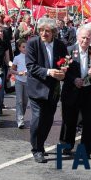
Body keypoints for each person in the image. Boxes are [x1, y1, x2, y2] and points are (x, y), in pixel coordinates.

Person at [25, 18, 67, 163]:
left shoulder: (60, 45)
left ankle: (40, 145)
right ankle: (36, 149)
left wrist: (63, 72)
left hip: (53, 89)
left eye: (47, 31)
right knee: (37, 118)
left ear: (54, 32)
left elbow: (65, 63)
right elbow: (30, 66)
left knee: (48, 119)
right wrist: (49, 72)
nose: (43, 33)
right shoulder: (32, 43)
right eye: (41, 30)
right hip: (36, 88)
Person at [60, 25, 91, 157]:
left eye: (88, 38)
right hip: (71, 90)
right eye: (83, 37)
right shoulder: (69, 51)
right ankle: (67, 145)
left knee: (88, 121)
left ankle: (87, 148)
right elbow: (63, 71)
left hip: (88, 91)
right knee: (69, 119)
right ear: (78, 37)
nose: (85, 41)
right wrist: (73, 79)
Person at [10, 39, 28, 129]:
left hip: (28, 81)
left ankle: (21, 116)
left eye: (26, 46)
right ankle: (20, 120)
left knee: (25, 102)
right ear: (19, 48)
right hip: (19, 81)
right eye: (23, 47)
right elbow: (12, 70)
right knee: (19, 101)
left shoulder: (31, 57)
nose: (25, 48)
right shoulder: (17, 58)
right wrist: (18, 73)